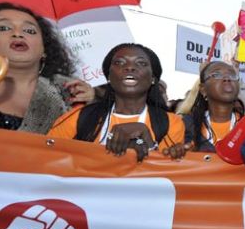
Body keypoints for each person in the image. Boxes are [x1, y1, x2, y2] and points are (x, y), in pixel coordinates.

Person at [0, 2, 94, 188]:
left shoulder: (72, 94)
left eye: (30, 31)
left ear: (44, 50)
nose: (18, 34)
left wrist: (97, 108)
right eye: (3, 28)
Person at [47, 43, 188, 162]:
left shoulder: (171, 123)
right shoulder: (79, 117)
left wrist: (146, 143)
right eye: (119, 63)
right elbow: (46, 157)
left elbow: (168, 177)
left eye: (141, 63)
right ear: (108, 76)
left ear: (153, 78)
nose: (129, 68)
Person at [183, 61, 244, 151]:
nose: (227, 78)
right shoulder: (186, 125)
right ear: (203, 89)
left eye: (232, 75)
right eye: (216, 74)